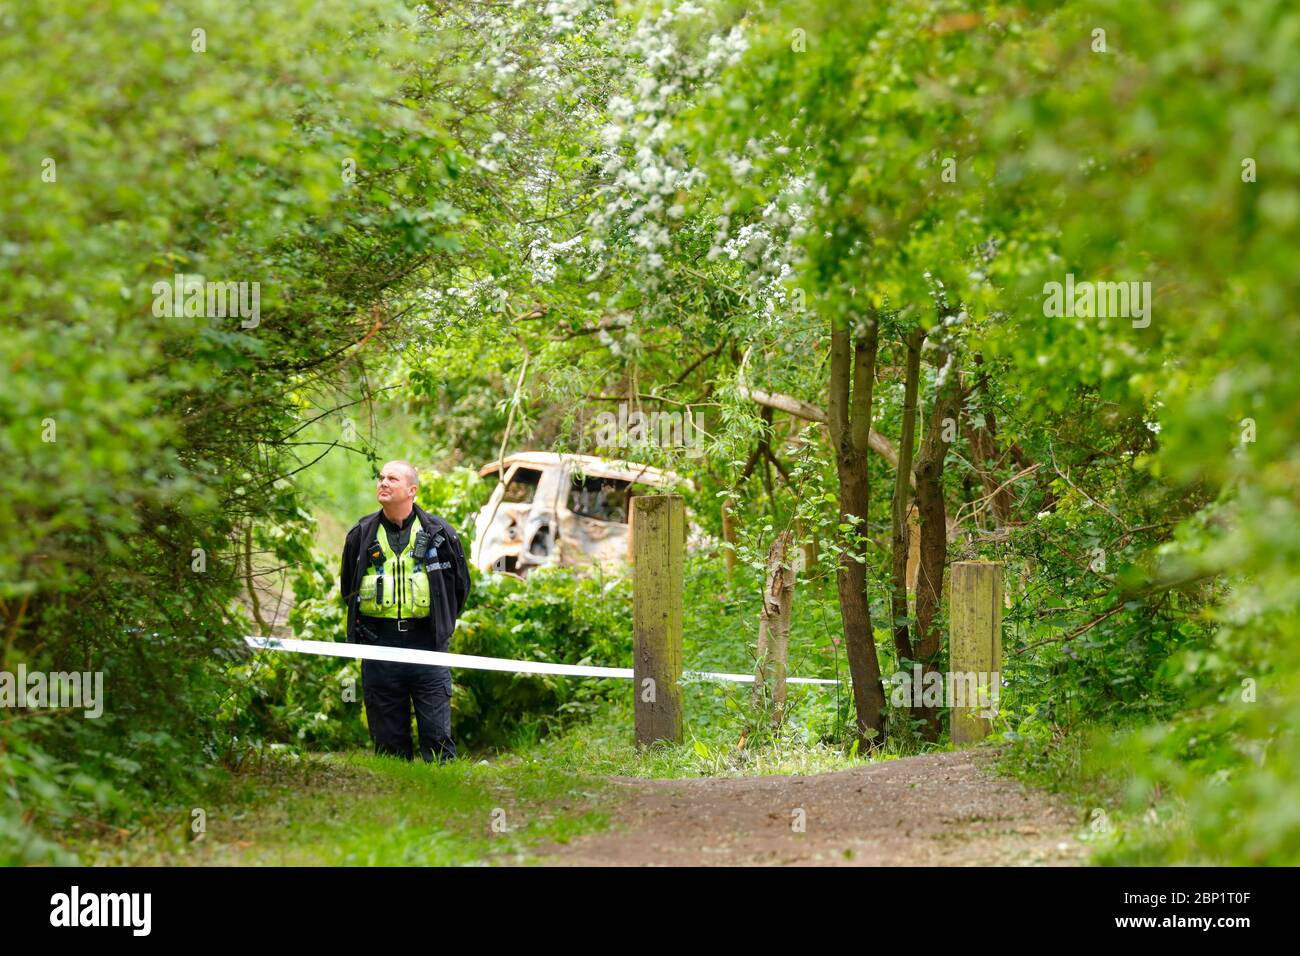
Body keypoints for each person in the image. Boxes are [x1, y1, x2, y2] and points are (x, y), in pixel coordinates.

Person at [339, 460, 470, 762]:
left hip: (428, 644)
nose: (383, 483)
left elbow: (459, 587)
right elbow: (349, 588)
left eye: (392, 479)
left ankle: (445, 797)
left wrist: (440, 625)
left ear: (412, 490)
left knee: (437, 739)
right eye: (381, 478)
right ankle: (392, 800)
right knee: (388, 744)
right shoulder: (360, 534)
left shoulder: (441, 534)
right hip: (379, 646)